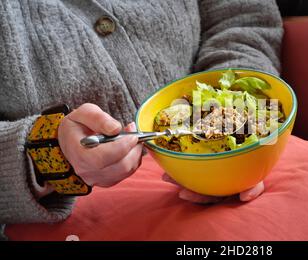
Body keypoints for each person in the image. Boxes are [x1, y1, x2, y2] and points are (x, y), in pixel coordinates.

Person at [0, 0, 282, 238]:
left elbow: (241, 18)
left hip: (262, 155)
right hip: (67, 208)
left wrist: (237, 114)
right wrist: (45, 154)